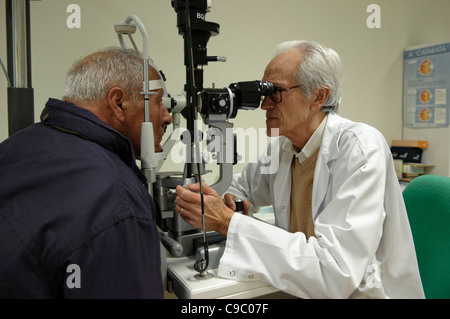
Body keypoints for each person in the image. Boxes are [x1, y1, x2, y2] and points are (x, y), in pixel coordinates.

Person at [175, 40, 424, 298]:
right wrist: (230, 201)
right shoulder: (284, 146)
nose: (264, 105)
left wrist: (228, 222)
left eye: (276, 92)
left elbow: (336, 272)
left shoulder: (360, 149)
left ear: (318, 96)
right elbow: (241, 188)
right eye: (264, 93)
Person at [0, 47, 172, 298]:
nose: (167, 117)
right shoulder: (118, 200)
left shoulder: (16, 146)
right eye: (157, 102)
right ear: (119, 103)